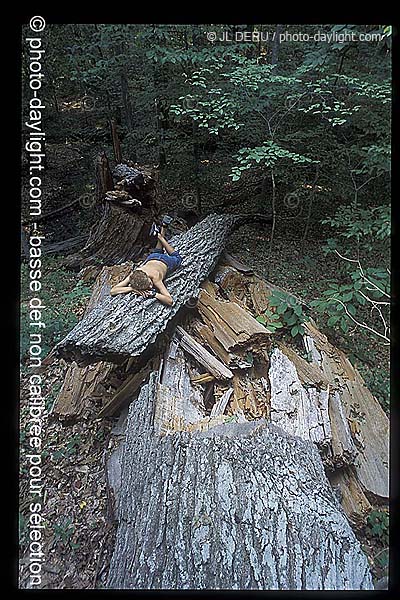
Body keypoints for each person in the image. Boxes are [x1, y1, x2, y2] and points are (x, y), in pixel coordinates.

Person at [110, 223, 182, 306]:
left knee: (177, 258)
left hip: (166, 261)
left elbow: (170, 301)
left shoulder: (155, 277)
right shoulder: (134, 274)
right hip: (152, 257)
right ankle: (162, 229)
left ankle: (161, 238)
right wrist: (131, 289)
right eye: (149, 286)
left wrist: (155, 294)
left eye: (150, 283)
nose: (151, 286)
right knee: (158, 251)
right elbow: (113, 291)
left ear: (147, 277)